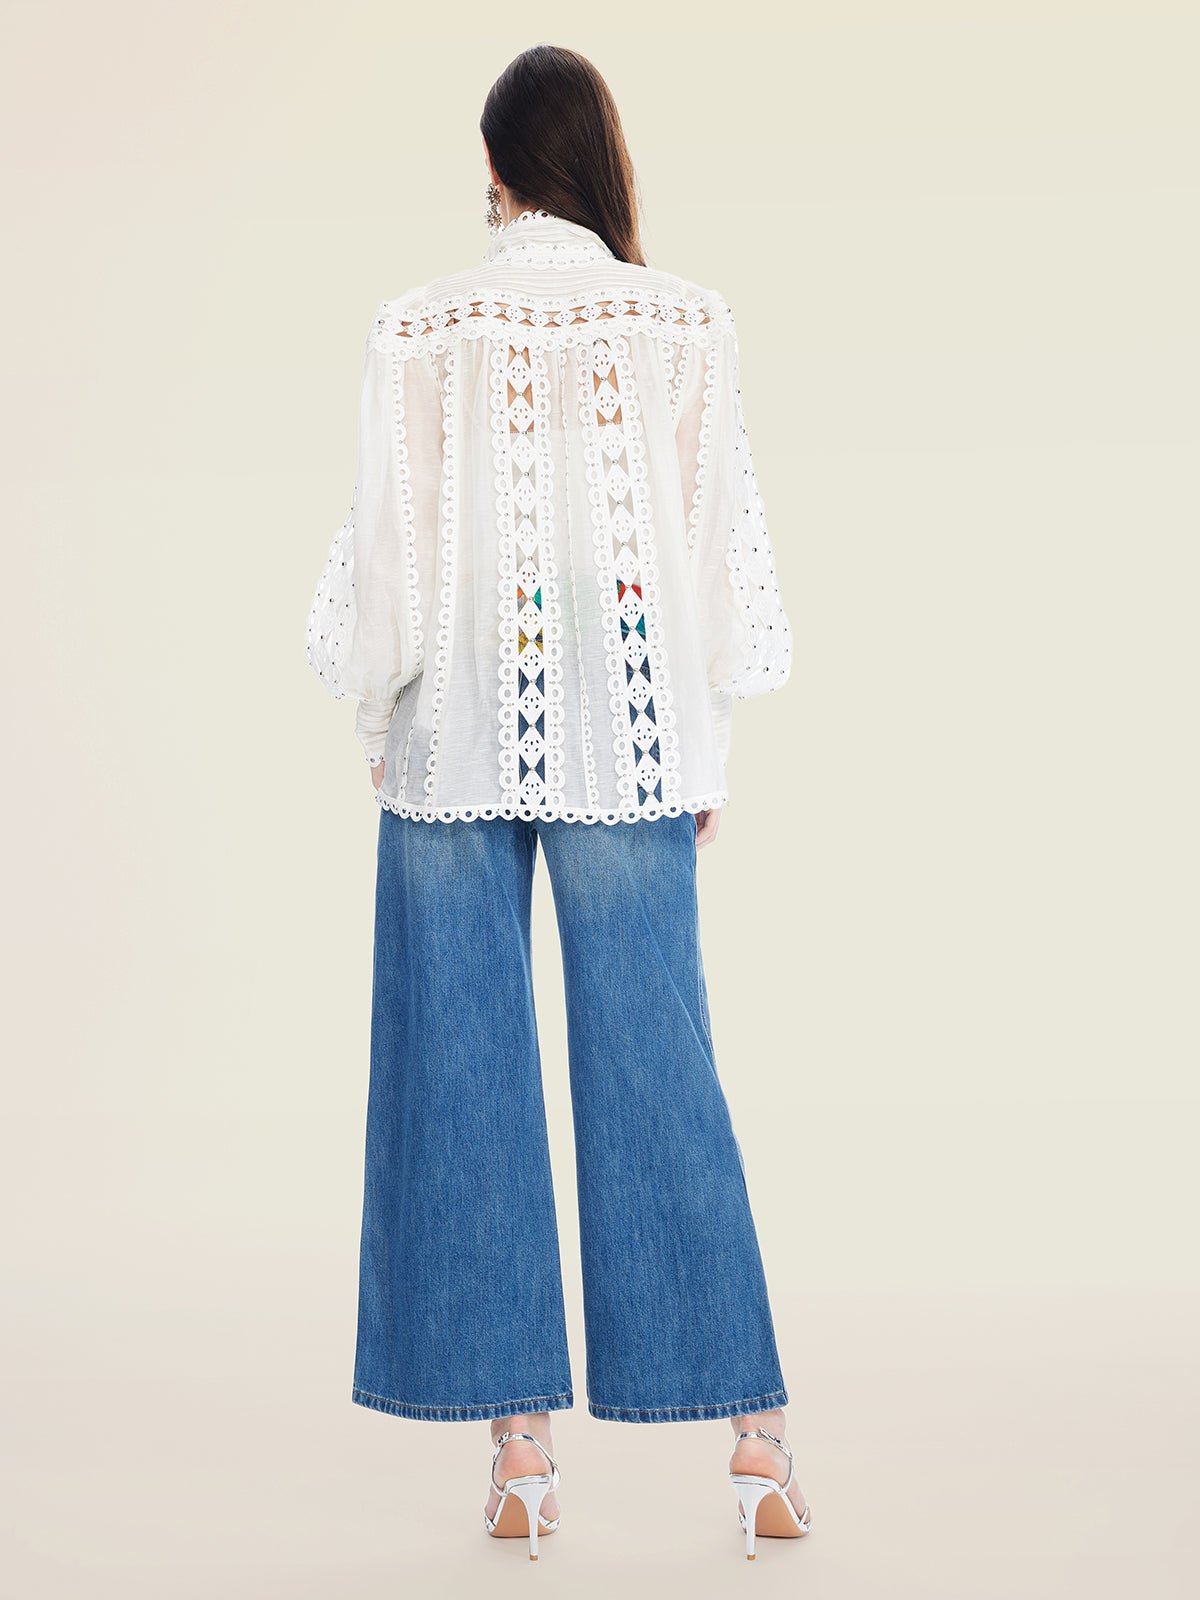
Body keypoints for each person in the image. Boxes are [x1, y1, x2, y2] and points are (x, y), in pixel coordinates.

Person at [304, 42, 809, 1563]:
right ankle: (759, 1451)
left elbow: (386, 561)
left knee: (458, 1076)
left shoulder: (419, 327)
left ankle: (521, 1460)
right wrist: (695, 740)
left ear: (501, 176)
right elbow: (711, 553)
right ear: (600, 166)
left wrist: (378, 714)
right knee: (662, 1062)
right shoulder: (685, 322)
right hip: (633, 738)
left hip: (454, 740)